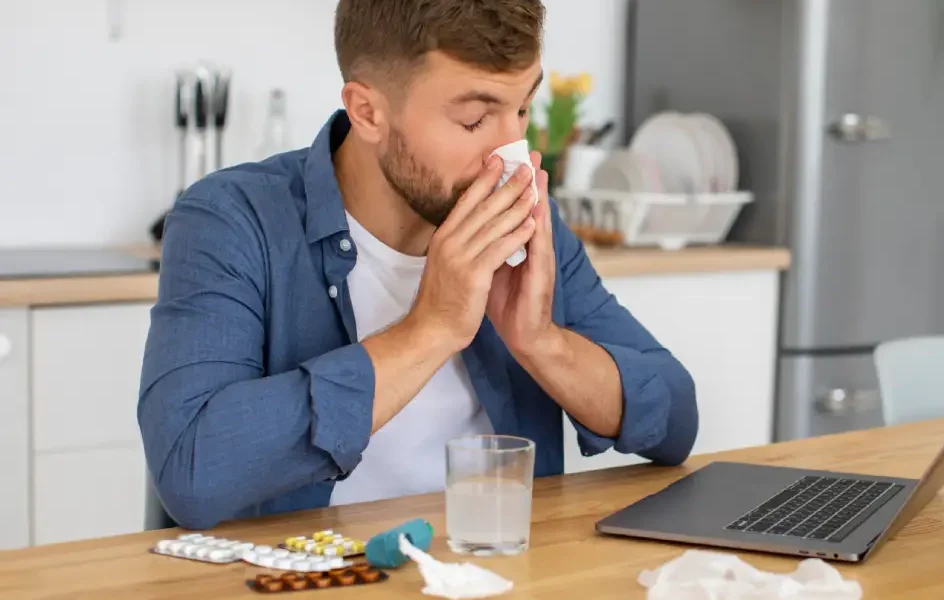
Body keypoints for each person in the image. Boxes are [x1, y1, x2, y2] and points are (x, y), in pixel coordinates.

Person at [137, 0, 698, 530]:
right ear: (368, 112)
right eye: (476, 120)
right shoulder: (232, 221)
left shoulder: (526, 219)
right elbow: (191, 471)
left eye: (523, 108)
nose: (514, 154)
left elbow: (675, 420)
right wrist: (430, 329)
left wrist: (542, 342)